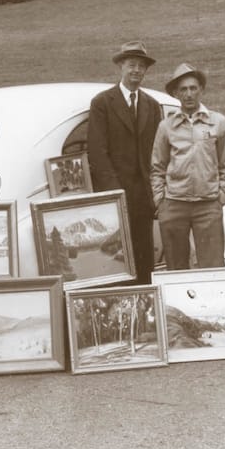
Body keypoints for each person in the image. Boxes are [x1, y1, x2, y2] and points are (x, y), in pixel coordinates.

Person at [87, 40, 162, 283]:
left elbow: (156, 153)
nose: (136, 71)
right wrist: (115, 193)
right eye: (131, 65)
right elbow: (97, 152)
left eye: (141, 66)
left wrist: (154, 191)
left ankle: (147, 308)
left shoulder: (152, 105)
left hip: (143, 196)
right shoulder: (103, 103)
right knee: (116, 261)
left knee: (144, 260)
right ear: (120, 67)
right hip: (115, 195)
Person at [150, 63, 225, 270]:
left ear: (201, 90)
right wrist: (160, 199)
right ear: (176, 94)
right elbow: (157, 167)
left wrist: (223, 193)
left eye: (193, 88)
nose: (189, 94)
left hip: (208, 205)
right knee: (177, 267)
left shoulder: (218, 122)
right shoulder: (166, 127)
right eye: (183, 90)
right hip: (174, 204)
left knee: (213, 265)